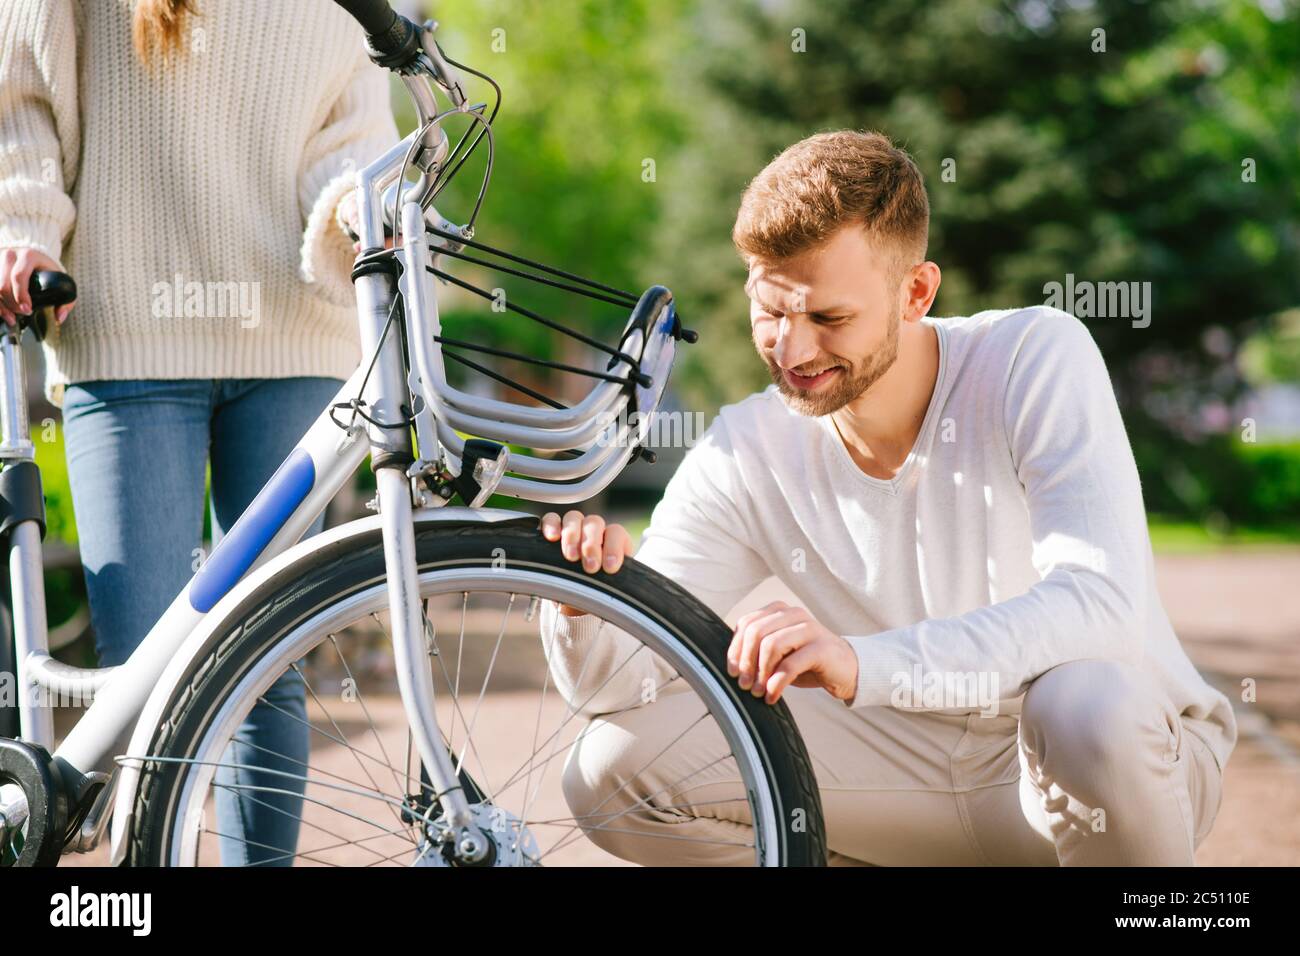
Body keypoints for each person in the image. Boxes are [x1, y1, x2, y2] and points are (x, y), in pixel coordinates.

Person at [537, 129, 1237, 866]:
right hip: (902, 773)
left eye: (829, 319)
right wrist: (585, 607)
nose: (793, 351)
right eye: (771, 312)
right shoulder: (746, 451)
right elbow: (616, 686)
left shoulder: (1033, 357)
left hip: (1096, 765)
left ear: (916, 292)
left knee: (1084, 707)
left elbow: (1100, 604)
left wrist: (864, 664)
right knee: (611, 769)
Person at [0, 0, 399, 865]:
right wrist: (24, 230)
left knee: (268, 669)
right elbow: (21, 85)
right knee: (142, 684)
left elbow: (352, 133)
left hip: (296, 339)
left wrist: (360, 213)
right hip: (127, 333)